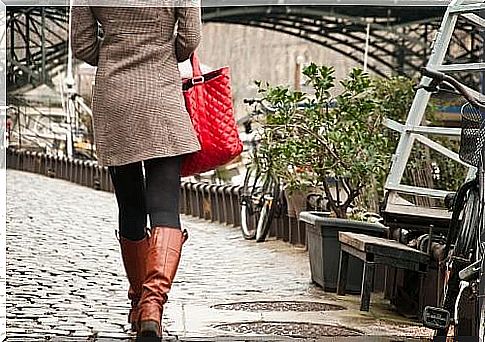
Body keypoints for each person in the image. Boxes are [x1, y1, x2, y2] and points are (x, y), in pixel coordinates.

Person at [70, 4, 201, 338]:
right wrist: (154, 50)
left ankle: (137, 298)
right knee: (165, 208)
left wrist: (119, 53)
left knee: (130, 205)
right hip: (161, 99)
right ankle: (152, 305)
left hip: (116, 98)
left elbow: (83, 45)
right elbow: (189, 39)